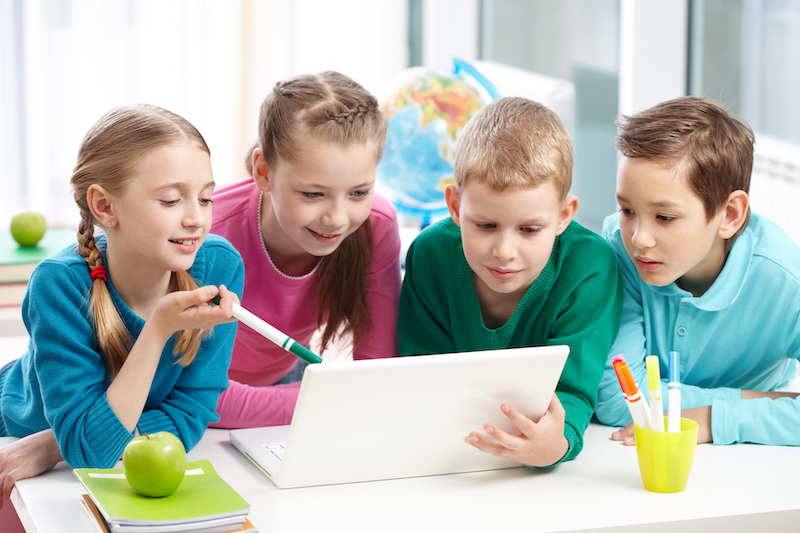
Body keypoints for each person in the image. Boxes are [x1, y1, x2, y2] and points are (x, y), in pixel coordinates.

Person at [0, 104, 243, 504]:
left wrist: (55, 445)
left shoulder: (220, 266)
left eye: (205, 198)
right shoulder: (59, 284)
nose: (197, 219)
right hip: (14, 426)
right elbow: (91, 453)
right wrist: (159, 329)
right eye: (170, 201)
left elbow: (189, 415)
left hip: (58, 440)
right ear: (105, 207)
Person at [397, 97, 623, 467]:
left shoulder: (590, 267)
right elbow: (421, 372)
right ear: (455, 207)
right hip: (445, 458)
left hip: (539, 469)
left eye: (530, 229)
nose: (504, 251)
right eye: (485, 225)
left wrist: (558, 444)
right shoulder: (430, 255)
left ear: (564, 215)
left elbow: (573, 391)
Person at [594, 96, 800, 446]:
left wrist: (712, 418)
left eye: (665, 217)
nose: (639, 238)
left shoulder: (786, 281)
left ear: (730, 215)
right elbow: (619, 401)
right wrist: (769, 404)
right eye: (627, 209)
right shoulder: (616, 248)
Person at [209, 71, 401, 428]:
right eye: (313, 194)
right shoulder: (207, 234)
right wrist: (330, 398)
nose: (337, 219)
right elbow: (194, 394)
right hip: (190, 403)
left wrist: (333, 396)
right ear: (263, 171)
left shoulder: (378, 226)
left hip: (287, 389)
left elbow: (377, 370)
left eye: (359, 192)